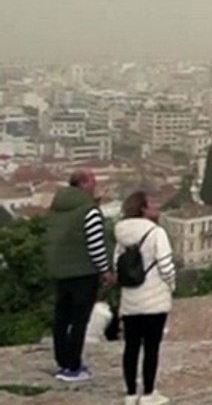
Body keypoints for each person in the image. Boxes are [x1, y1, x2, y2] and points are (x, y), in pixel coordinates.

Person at [44, 169, 114, 383]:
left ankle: (63, 361)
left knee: (61, 318)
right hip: (83, 272)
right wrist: (105, 270)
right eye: (93, 180)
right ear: (83, 183)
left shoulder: (58, 209)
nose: (96, 184)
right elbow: (95, 245)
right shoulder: (88, 210)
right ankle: (74, 365)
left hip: (61, 271)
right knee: (79, 320)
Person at [114, 191, 176, 405]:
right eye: (152, 204)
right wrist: (171, 286)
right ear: (143, 208)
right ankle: (149, 393)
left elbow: (116, 265)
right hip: (154, 298)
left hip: (130, 299)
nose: (157, 207)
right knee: (151, 348)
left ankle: (131, 394)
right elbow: (166, 265)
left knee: (131, 347)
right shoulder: (156, 232)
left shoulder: (121, 235)